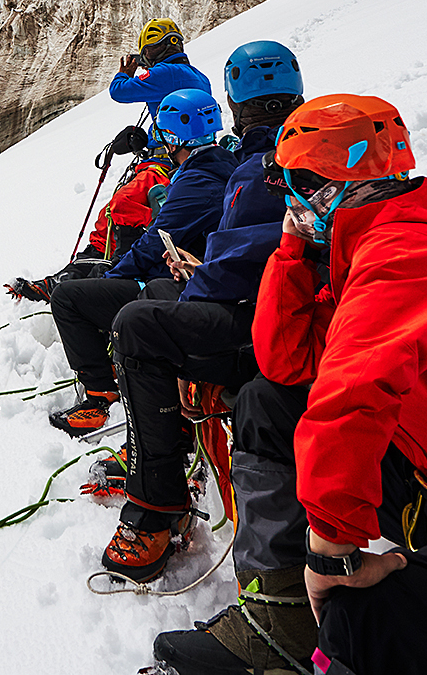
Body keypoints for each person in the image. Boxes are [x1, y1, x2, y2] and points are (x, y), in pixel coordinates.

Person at [152, 94, 427, 675]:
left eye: (293, 185)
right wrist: (294, 247)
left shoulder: (408, 252)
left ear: (324, 189)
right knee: (270, 400)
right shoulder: (365, 248)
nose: (285, 199)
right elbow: (285, 361)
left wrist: (329, 552)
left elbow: (351, 391)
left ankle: (328, 618)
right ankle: (284, 613)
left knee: (365, 614)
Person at [94, 42, 306, 584]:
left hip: (264, 323)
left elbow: (245, 258)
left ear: (234, 100)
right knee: (159, 298)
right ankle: (158, 459)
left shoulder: (262, 168)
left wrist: (196, 281)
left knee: (139, 327)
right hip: (280, 311)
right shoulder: (306, 149)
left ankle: (158, 508)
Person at [47, 89, 236, 438]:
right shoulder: (223, 164)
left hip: (170, 285)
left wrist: (114, 271)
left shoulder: (196, 181)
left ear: (173, 136)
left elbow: (153, 242)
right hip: (191, 280)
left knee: (68, 299)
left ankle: (99, 393)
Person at [6, 132, 176, 302]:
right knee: (108, 217)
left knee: (124, 203)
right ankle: (73, 274)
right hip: (151, 162)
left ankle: (117, 270)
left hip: (164, 164)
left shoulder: (175, 107)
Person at [111, 19, 214, 107]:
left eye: (146, 53)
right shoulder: (201, 77)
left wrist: (124, 74)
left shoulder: (163, 73)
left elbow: (117, 91)